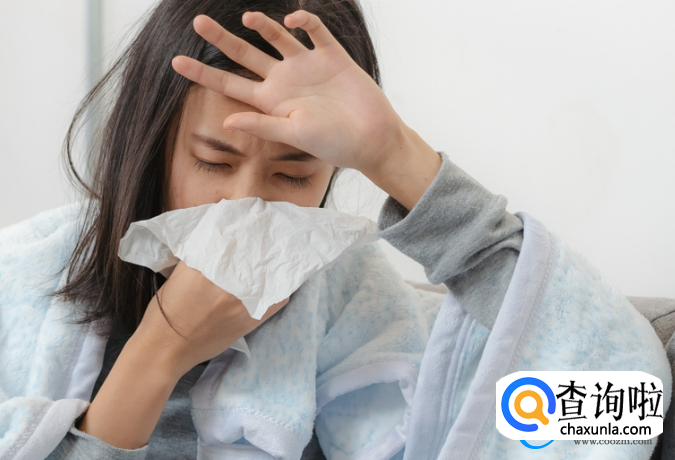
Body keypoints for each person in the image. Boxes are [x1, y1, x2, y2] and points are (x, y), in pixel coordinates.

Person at [0, 0, 668, 459]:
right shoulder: (21, 281)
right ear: (150, 148)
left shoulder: (357, 310)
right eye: (214, 161)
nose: (244, 206)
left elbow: (624, 404)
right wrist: (160, 350)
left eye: (291, 175)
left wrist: (398, 158)